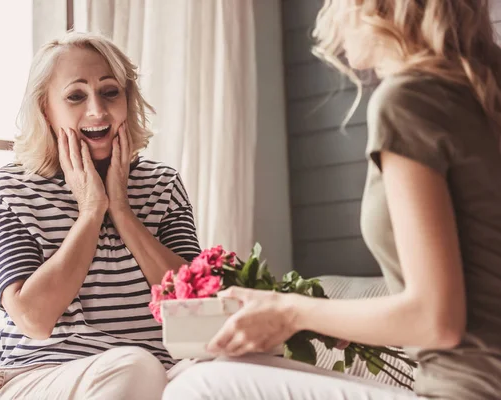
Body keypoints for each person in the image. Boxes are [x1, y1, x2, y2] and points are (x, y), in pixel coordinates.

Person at [163, 0, 501, 399]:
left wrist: (288, 311)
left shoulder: (410, 100)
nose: (331, 14)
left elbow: (435, 319)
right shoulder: (482, 87)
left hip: (466, 390)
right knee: (234, 369)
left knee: (197, 387)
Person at [0, 32, 201, 400]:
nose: (97, 111)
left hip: (158, 373)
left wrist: (123, 212)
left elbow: (194, 308)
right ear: (45, 109)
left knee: (231, 370)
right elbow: (33, 319)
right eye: (76, 96)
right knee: (135, 366)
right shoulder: (9, 188)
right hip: (40, 375)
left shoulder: (163, 185)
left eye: (110, 92)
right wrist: (90, 213)